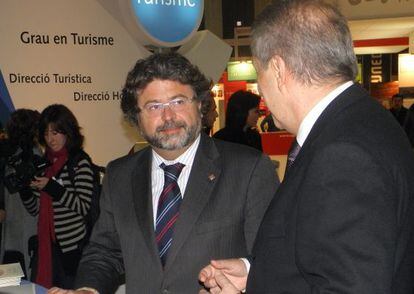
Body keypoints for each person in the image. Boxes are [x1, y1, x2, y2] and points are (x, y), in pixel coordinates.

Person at [199, 1, 414, 293]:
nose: (261, 90)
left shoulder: (344, 153)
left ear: (277, 69)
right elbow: (322, 254)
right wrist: (256, 274)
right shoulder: (360, 122)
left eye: (259, 73)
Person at [48, 52, 279, 294]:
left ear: (200, 104)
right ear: (136, 118)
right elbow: (106, 251)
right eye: (154, 106)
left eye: (178, 102)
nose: (168, 117)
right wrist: (88, 289)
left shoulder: (249, 169)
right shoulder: (120, 175)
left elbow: (273, 259)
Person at [19, 104, 94, 289]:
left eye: (55, 132)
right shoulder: (45, 164)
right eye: (46, 133)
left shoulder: (79, 162)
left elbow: (83, 206)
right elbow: (35, 210)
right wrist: (25, 190)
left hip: (72, 248)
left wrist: (52, 187)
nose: (50, 139)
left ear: (67, 131)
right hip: (47, 248)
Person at [0, 109, 40, 278]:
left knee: (12, 286)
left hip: (13, 235)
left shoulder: (9, 157)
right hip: (27, 233)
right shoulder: (35, 157)